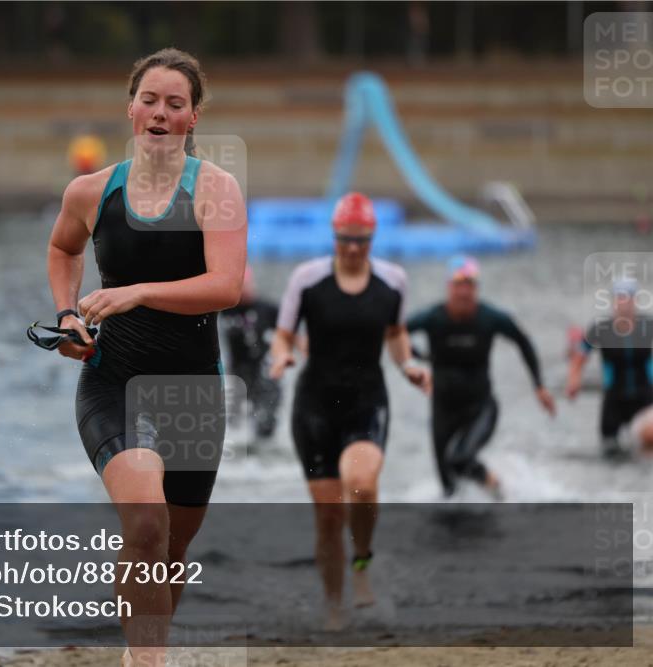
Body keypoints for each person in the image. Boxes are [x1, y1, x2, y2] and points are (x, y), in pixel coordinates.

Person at [46, 48, 246, 667]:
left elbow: (226, 286)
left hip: (193, 392)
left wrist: (138, 291)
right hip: (114, 381)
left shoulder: (216, 188)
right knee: (144, 524)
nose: (161, 113)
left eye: (175, 104)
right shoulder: (90, 191)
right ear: (131, 108)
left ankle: (142, 653)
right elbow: (62, 249)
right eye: (150, 100)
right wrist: (68, 314)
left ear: (193, 118)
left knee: (172, 549)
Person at [269, 192, 430, 631]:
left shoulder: (393, 280)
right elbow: (283, 334)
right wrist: (281, 357)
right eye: (345, 240)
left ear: (373, 237)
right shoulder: (307, 278)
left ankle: (361, 562)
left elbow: (396, 333)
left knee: (360, 484)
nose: (354, 248)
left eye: (361, 240)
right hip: (315, 406)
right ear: (334, 236)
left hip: (366, 400)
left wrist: (410, 364)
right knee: (328, 516)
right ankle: (334, 604)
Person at [406, 256, 556, 498]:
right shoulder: (434, 318)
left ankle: (498, 490)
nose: (464, 293)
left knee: (460, 459)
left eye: (470, 286)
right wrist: (418, 358)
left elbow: (523, 340)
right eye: (459, 285)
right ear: (449, 288)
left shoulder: (490, 318)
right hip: (443, 409)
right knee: (448, 487)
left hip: (481, 409)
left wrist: (539, 386)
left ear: (476, 289)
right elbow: (395, 332)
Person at [567, 278, 653, 459]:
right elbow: (579, 358)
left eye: (627, 298)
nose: (624, 304)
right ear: (613, 302)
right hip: (614, 401)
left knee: (646, 448)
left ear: (635, 301)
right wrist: (574, 380)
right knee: (610, 454)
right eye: (619, 298)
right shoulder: (601, 329)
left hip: (645, 397)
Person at [220, 266, 282, 440]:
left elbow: (288, 333)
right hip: (237, 372)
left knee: (265, 424)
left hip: (265, 373)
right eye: (241, 286)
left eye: (248, 285)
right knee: (233, 425)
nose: (246, 290)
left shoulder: (267, 308)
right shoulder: (225, 309)